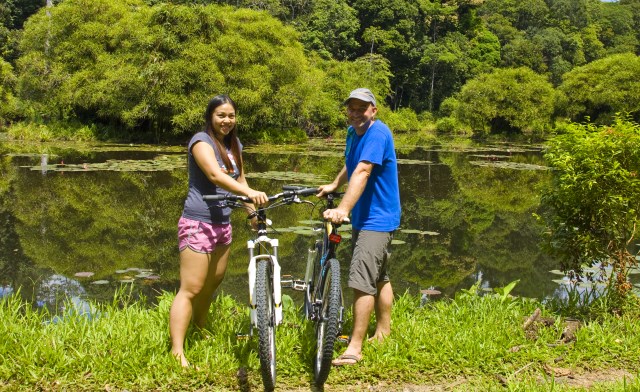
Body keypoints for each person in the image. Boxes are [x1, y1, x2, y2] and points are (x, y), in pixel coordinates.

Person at [169, 94, 268, 368]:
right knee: (191, 288)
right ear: (210, 117)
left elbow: (240, 178)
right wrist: (248, 192)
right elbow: (215, 175)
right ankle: (177, 350)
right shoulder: (201, 142)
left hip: (223, 223)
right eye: (221, 115)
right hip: (197, 222)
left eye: (231, 116)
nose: (226, 121)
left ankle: (199, 328)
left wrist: (252, 212)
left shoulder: (234, 144)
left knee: (212, 283)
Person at [318, 88, 401, 366]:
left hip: (377, 219)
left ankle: (354, 348)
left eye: (361, 108)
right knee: (380, 276)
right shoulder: (354, 133)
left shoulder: (378, 134)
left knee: (361, 280)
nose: (355, 113)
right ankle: (383, 332)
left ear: (373, 110)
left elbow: (364, 170)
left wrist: (343, 209)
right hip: (368, 217)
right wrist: (334, 184)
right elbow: (351, 164)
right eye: (351, 108)